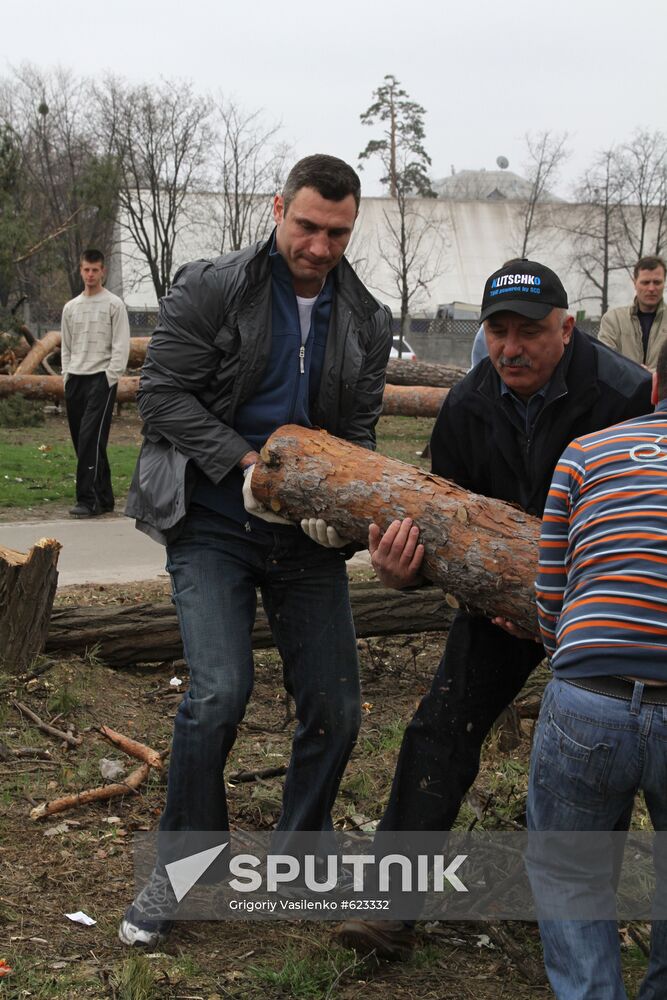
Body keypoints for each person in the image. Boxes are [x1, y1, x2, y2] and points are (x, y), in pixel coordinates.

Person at [338, 258, 653, 960]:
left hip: (607, 608)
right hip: (501, 606)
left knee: (608, 755)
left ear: (566, 329)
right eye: (497, 331)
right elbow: (441, 525)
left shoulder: (623, 396)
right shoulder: (468, 405)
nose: (510, 348)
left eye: (529, 333)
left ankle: (586, 933)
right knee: (438, 729)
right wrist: (409, 576)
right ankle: (390, 909)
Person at [120, 154, 393, 948]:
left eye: (337, 232)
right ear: (278, 208)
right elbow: (162, 397)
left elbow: (362, 433)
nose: (318, 245)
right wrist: (248, 466)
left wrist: (336, 504)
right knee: (218, 695)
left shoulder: (367, 319)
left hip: (304, 538)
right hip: (211, 518)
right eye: (306, 225)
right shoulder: (211, 287)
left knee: (338, 710)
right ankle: (178, 873)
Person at [527, 338, 667, 999]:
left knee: (569, 873)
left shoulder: (585, 453)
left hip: (589, 696)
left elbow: (549, 598)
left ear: (654, 387)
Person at [60, 248, 130, 518]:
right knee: (85, 441)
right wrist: (66, 375)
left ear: (103, 271)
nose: (90, 275)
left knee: (90, 437)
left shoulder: (114, 304)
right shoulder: (71, 308)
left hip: (101, 378)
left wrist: (110, 377)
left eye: (95, 270)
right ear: (80, 270)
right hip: (75, 379)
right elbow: (66, 346)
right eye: (86, 270)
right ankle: (105, 497)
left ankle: (87, 500)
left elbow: (120, 346)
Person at [598, 255, 666, 370]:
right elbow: (605, 360)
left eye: (657, 282)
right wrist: (638, 375)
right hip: (625, 388)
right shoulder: (613, 320)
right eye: (645, 282)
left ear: (664, 283)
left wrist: (654, 376)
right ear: (634, 283)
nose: (651, 288)